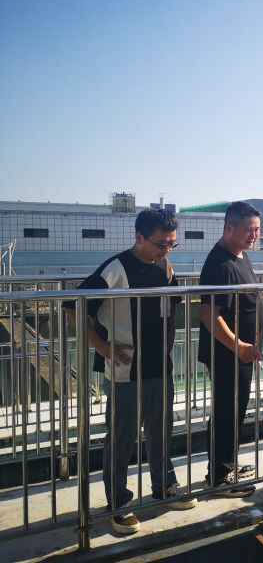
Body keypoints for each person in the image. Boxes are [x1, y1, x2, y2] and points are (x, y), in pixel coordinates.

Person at [65, 208, 195, 536]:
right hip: (125, 369)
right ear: (139, 237)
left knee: (161, 430)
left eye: (171, 244)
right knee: (121, 437)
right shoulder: (115, 269)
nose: (166, 250)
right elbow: (73, 307)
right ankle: (118, 503)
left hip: (160, 365)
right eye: (160, 244)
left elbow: (171, 308)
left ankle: (164, 487)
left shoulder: (166, 266)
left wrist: (167, 345)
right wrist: (102, 346)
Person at [198, 201, 263, 497]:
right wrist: (238, 346)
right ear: (229, 227)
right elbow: (209, 315)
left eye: (257, 230)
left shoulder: (240, 256)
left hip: (241, 353)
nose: (254, 235)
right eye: (249, 230)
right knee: (226, 411)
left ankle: (227, 463)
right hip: (227, 353)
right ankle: (219, 477)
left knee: (234, 409)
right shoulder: (221, 264)